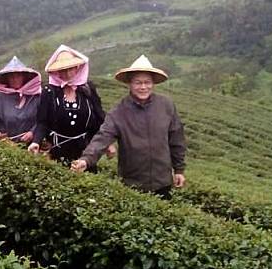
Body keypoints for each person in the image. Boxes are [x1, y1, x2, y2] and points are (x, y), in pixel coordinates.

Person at [71, 55, 186, 200]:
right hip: (132, 184)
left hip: (163, 182)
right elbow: (102, 137)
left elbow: (176, 139)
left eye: (147, 82)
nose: (143, 87)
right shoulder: (119, 112)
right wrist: (86, 160)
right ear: (130, 84)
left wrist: (179, 170)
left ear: (153, 84)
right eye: (138, 83)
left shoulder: (166, 105)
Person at [27, 45, 107, 170]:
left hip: (84, 150)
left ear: (77, 68)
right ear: (57, 72)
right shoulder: (49, 91)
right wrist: (36, 141)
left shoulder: (88, 89)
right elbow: (42, 121)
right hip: (56, 150)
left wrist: (107, 143)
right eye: (63, 70)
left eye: (71, 69)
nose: (68, 73)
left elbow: (99, 117)